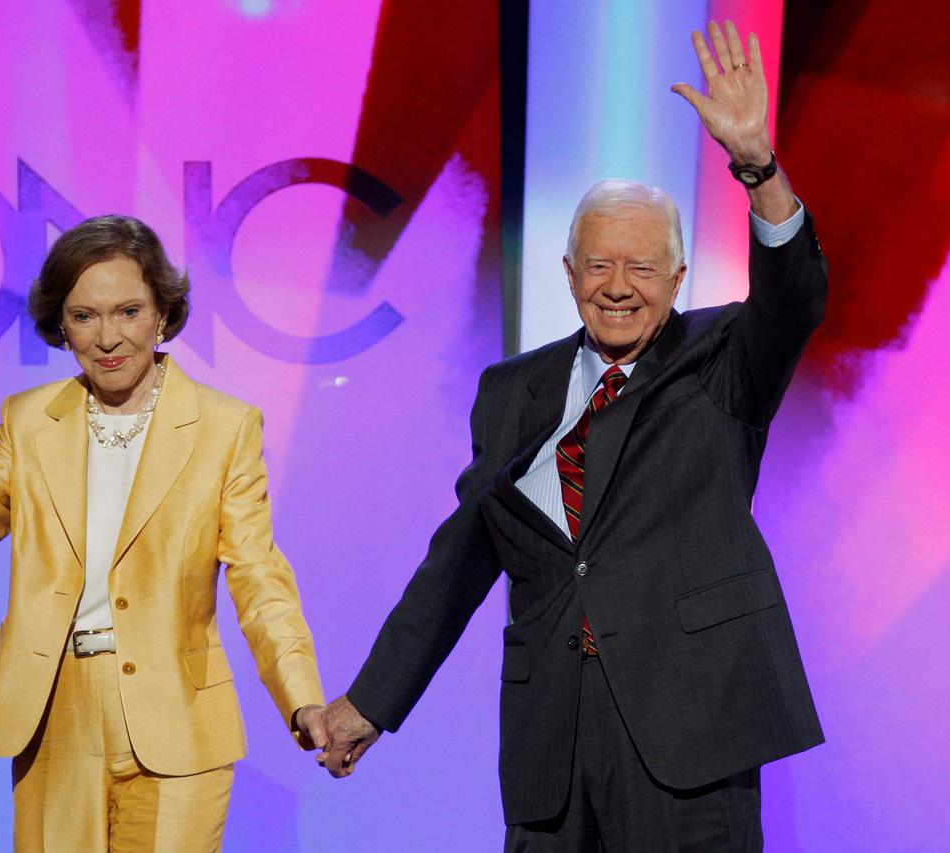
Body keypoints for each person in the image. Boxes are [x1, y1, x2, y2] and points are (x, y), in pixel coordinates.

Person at [317, 21, 825, 850]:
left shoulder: (723, 360)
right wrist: (372, 701)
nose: (618, 287)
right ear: (568, 273)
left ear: (678, 277)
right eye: (599, 265)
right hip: (552, 739)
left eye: (642, 267)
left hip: (688, 733)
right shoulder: (511, 391)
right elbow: (460, 560)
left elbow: (795, 295)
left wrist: (757, 165)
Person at [0, 215, 326, 850]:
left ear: (162, 315)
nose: (108, 337)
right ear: (62, 326)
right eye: (84, 316)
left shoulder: (225, 427)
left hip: (179, 716)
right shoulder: (30, 419)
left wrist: (302, 697)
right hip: (53, 710)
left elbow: (259, 576)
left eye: (128, 312)